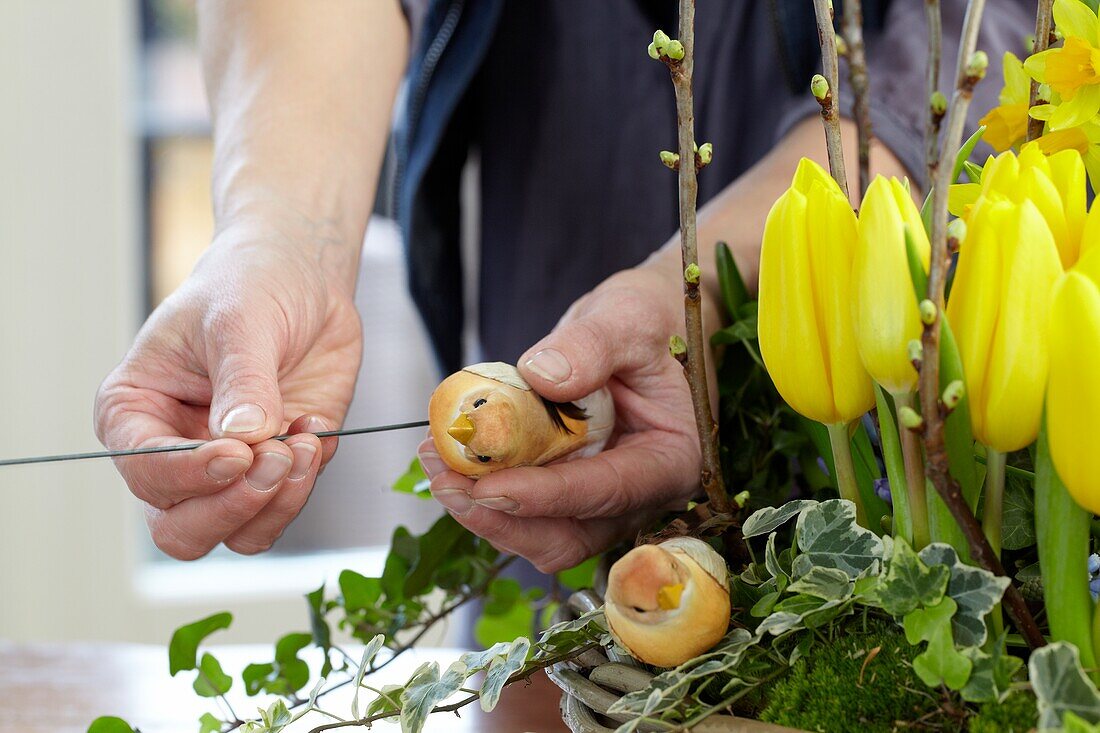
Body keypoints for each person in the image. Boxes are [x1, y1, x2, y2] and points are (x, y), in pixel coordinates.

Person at [94, 0, 1030, 571]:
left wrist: (692, 305)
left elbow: (980, 75)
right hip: (547, 585)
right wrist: (280, 236)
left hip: (917, 534)